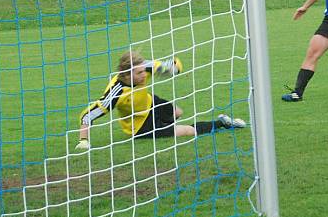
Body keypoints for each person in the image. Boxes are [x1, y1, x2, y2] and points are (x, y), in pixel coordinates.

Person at [75, 52, 245, 151]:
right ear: (127, 75)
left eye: (143, 71)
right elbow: (87, 115)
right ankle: (223, 123)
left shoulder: (144, 67)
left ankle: (166, 126)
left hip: (150, 103)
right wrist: (84, 141)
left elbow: (171, 65)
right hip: (140, 125)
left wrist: (173, 68)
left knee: (178, 112)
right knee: (185, 131)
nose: (144, 75)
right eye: (139, 73)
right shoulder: (116, 93)